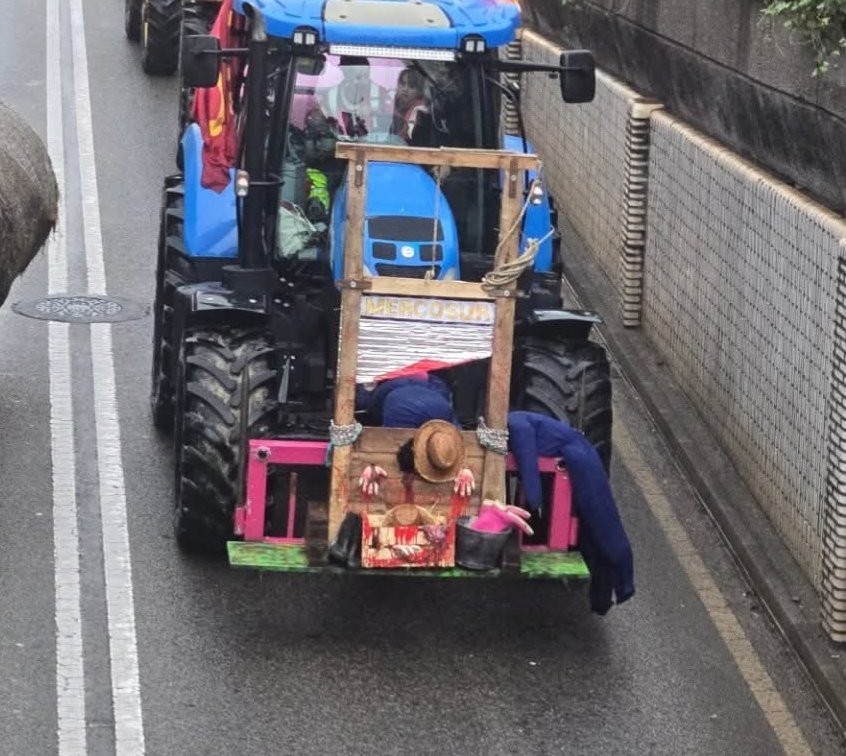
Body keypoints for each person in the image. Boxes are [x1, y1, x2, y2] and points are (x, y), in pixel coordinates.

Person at [507, 410, 635, 615]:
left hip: (580, 458)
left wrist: (534, 501)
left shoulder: (515, 423)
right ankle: (602, 598)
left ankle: (625, 584)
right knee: (588, 534)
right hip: (574, 455)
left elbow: (527, 459)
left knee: (603, 523)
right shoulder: (516, 421)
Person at [391, 67, 429, 143]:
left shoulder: (418, 110)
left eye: (411, 86)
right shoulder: (397, 104)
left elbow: (403, 139)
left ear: (419, 91)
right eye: (403, 84)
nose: (405, 89)